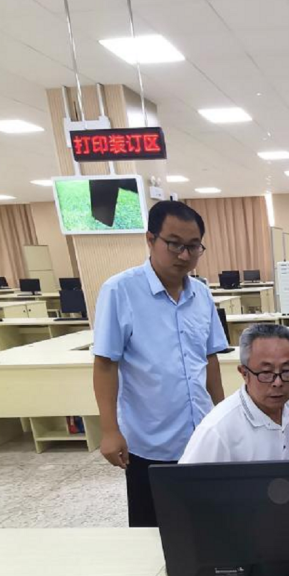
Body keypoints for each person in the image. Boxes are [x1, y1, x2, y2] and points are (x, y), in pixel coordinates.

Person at [92, 200, 227, 527]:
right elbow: (105, 364)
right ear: (150, 239)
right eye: (175, 244)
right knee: (152, 532)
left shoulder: (202, 294)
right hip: (150, 440)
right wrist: (109, 430)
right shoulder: (120, 290)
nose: (185, 255)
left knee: (206, 524)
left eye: (193, 246)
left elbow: (209, 358)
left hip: (201, 435)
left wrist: (223, 414)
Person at [181, 323, 289, 463]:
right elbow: (187, 479)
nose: (278, 382)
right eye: (266, 372)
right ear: (244, 373)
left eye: (286, 371)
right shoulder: (217, 431)